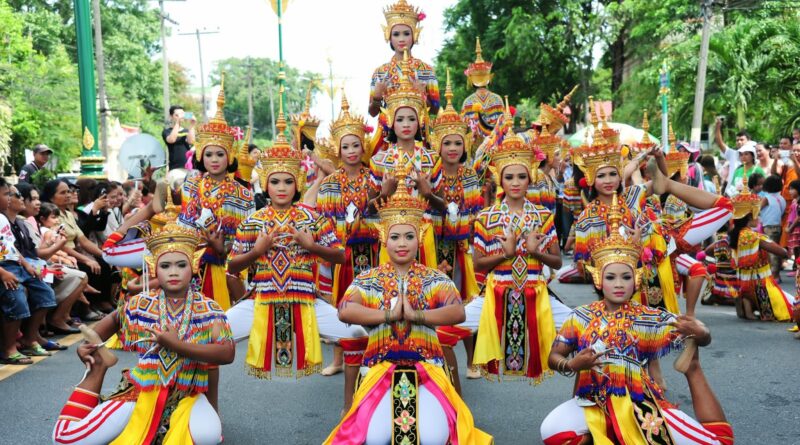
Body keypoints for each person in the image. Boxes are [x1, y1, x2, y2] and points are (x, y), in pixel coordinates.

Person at [540, 199, 734, 445]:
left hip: (640, 404)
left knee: (719, 443)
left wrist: (701, 332)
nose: (619, 284)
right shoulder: (580, 316)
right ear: (599, 280)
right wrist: (572, 364)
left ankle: (692, 372)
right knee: (552, 433)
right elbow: (553, 357)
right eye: (611, 277)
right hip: (591, 402)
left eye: (626, 277)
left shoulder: (649, 317)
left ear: (637, 280)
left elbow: (701, 335)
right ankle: (603, 432)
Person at [324, 178, 492, 445]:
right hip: (379, 370)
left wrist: (418, 316)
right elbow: (345, 310)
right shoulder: (370, 278)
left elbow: (457, 312)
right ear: (384, 239)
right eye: (395, 236)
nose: (402, 243)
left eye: (409, 236)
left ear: (420, 238)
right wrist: (388, 316)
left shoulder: (434, 278)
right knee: (374, 437)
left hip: (427, 370)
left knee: (433, 437)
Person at [52, 220, 234, 445]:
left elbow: (227, 353)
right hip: (140, 392)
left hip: (188, 394)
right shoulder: (139, 304)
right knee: (65, 439)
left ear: (194, 266)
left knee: (208, 437)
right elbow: (106, 325)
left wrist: (177, 345)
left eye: (181, 265)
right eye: (165, 266)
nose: (173, 272)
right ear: (154, 269)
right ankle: (97, 373)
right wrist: (90, 347)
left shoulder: (209, 308)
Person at [226, 105, 348, 379]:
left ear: (298, 185)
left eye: (288, 182)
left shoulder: (312, 218)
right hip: (262, 298)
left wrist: (312, 247)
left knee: (358, 335)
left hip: (306, 298)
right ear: (266, 186)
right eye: (276, 182)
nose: (281, 188)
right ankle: (199, 403)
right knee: (210, 334)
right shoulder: (253, 221)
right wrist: (257, 251)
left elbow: (340, 256)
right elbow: (232, 265)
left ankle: (353, 409)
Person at [471, 105, 567, 384]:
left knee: (584, 327)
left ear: (530, 177)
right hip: (494, 294)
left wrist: (537, 252)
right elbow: (478, 264)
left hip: (537, 293)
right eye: (509, 176)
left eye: (521, 176)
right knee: (447, 328)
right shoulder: (486, 218)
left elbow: (557, 262)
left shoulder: (543, 215)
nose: (515, 182)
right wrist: (506, 254)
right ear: (499, 178)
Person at [315, 93, 377, 411]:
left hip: (374, 254)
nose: (352, 151)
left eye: (356, 145)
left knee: (375, 309)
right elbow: (327, 227)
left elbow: (384, 218)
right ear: (337, 150)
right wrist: (347, 228)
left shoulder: (375, 180)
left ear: (363, 147)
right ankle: (341, 358)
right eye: (346, 146)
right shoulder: (329, 186)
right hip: (345, 257)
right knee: (344, 310)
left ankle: (374, 367)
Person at [178, 79, 254, 311]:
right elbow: (185, 226)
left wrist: (223, 248)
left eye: (219, 154)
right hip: (194, 265)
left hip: (229, 267)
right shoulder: (190, 186)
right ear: (201, 155)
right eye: (208, 154)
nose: (213, 159)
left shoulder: (243, 194)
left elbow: (247, 239)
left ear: (229, 157)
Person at [427, 73, 483, 387]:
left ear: (464, 145)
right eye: (446, 142)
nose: (451, 147)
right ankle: (439, 362)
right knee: (436, 302)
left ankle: (473, 359)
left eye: (457, 143)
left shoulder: (469, 175)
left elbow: (470, 214)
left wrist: (435, 199)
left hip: (461, 248)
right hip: (434, 246)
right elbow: (425, 212)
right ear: (438, 144)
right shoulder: (431, 172)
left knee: (463, 301)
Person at [369, 51, 444, 267]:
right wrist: (385, 194)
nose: (406, 124)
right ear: (391, 122)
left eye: (411, 118)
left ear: (420, 120)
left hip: (423, 232)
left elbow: (443, 207)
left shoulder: (431, 159)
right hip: (391, 234)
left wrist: (427, 193)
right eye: (400, 119)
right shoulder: (380, 160)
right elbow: (370, 208)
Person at [368, 0, 439, 154]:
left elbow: (435, 109)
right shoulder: (380, 72)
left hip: (420, 135)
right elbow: (373, 112)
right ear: (388, 35)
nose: (401, 39)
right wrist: (377, 98)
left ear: (415, 35)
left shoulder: (426, 71)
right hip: (387, 136)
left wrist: (423, 96)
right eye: (396, 34)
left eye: (406, 33)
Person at [0, 179, 58, 363]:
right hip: (3, 269)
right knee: (15, 296)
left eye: (10, 194)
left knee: (45, 294)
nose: (9, 198)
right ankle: (8, 349)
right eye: (6, 194)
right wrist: (3, 273)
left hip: (14, 265)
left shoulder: (2, 219)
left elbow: (10, 248)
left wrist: (26, 264)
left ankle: (29, 339)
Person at [728, 183, 794, 321]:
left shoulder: (734, 235)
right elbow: (781, 252)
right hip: (760, 284)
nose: (758, 219)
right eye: (757, 215)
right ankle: (757, 309)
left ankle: (748, 308)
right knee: (790, 309)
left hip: (743, 283)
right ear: (750, 218)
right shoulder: (754, 236)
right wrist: (785, 251)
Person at [460, 37, 504, 152]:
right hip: (496, 147)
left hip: (475, 149)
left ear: (470, 79)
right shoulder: (497, 99)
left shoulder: (467, 102)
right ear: (489, 78)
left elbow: (465, 130)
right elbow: (503, 127)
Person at [759, 175, 786, 281]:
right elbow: (782, 212)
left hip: (768, 227)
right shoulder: (781, 198)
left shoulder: (766, 198)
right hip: (778, 226)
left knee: (771, 251)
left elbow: (757, 209)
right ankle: (776, 273)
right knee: (776, 250)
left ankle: (774, 275)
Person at [714, 117, 750, 191]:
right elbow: (719, 143)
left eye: (742, 140)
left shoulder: (755, 155)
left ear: (749, 141)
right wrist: (718, 126)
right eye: (737, 140)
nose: (739, 142)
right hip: (732, 192)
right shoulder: (733, 154)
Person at [163, 105, 197, 170]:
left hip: (189, 166)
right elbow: (172, 140)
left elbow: (191, 141)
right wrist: (177, 122)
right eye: (177, 115)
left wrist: (192, 125)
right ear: (171, 116)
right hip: (175, 168)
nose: (180, 116)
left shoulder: (187, 130)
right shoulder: (166, 131)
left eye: (182, 114)